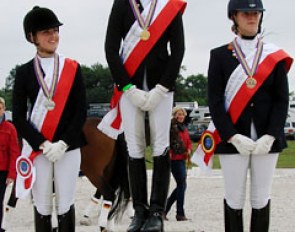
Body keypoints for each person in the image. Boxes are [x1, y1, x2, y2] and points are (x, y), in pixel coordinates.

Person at [207, 0, 293, 231]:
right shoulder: (219, 56)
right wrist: (232, 136)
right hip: (233, 138)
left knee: (261, 197)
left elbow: (281, 99)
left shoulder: (273, 56)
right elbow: (214, 102)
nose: (252, 17)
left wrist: (272, 135)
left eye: (256, 13)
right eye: (246, 13)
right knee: (234, 198)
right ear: (234, 17)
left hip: (267, 138)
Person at [102, 0, 186, 231]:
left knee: (161, 145)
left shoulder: (169, 5)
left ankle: (157, 213)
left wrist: (162, 87)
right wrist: (127, 87)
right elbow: (110, 48)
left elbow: (178, 50)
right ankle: (139, 211)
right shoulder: (121, 4)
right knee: (134, 146)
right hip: (129, 87)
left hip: (162, 86)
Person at [12, 6, 86, 232]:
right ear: (32, 37)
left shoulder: (72, 68)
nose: (53, 36)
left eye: (55, 31)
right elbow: (18, 116)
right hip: (39, 149)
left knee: (66, 202)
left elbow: (81, 110)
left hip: (68, 146)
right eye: (46, 32)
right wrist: (42, 144)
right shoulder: (24, 72)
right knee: (42, 204)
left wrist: (63, 143)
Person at [164, 107, 192, 221]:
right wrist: (170, 153)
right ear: (175, 115)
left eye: (182, 114)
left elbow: (188, 141)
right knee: (182, 185)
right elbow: (169, 141)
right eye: (179, 114)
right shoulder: (172, 128)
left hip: (182, 158)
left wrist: (189, 149)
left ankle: (164, 210)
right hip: (175, 159)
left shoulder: (183, 128)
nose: (181, 116)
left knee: (181, 185)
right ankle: (179, 213)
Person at [0, 97, 20, 232]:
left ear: (3, 110)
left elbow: (14, 152)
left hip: (2, 171)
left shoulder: (10, 128)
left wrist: (12, 174)